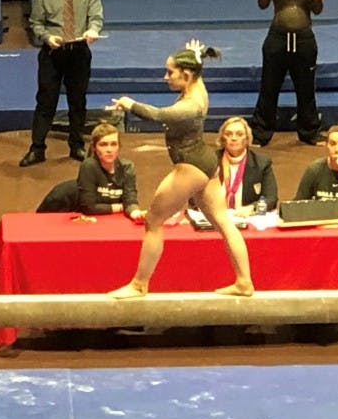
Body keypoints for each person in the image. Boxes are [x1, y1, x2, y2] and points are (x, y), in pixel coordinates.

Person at [106, 39, 254, 298]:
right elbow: (196, 67)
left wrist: (130, 104)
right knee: (222, 221)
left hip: (191, 166)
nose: (166, 77)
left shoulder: (191, 105)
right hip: (205, 161)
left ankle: (140, 284)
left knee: (153, 220)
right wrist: (196, 53)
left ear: (186, 75)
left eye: (170, 73)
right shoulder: (196, 86)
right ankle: (244, 281)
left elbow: (160, 116)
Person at [20, 0, 104, 167]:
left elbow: (96, 18)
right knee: (46, 102)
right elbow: (36, 23)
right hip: (52, 53)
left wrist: (93, 31)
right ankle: (37, 148)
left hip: (78, 53)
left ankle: (76, 145)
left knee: (78, 101)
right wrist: (47, 37)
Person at [250, 0, 326, 147]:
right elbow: (262, 4)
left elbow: (318, 10)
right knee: (269, 87)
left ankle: (310, 132)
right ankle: (260, 134)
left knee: (306, 88)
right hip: (277, 38)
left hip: (303, 39)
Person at [36, 121, 143, 219]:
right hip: (60, 204)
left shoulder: (127, 167)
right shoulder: (89, 165)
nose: (109, 150)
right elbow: (89, 208)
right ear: (94, 148)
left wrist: (136, 213)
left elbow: (130, 200)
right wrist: (121, 207)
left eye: (113, 144)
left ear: (119, 147)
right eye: (103, 145)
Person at [214, 116, 278, 216]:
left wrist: (251, 209)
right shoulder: (210, 161)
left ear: (247, 138)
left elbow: (271, 198)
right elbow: (194, 196)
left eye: (239, 134)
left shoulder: (261, 163)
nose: (234, 138)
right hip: (216, 219)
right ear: (222, 138)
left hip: (247, 220)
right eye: (228, 134)